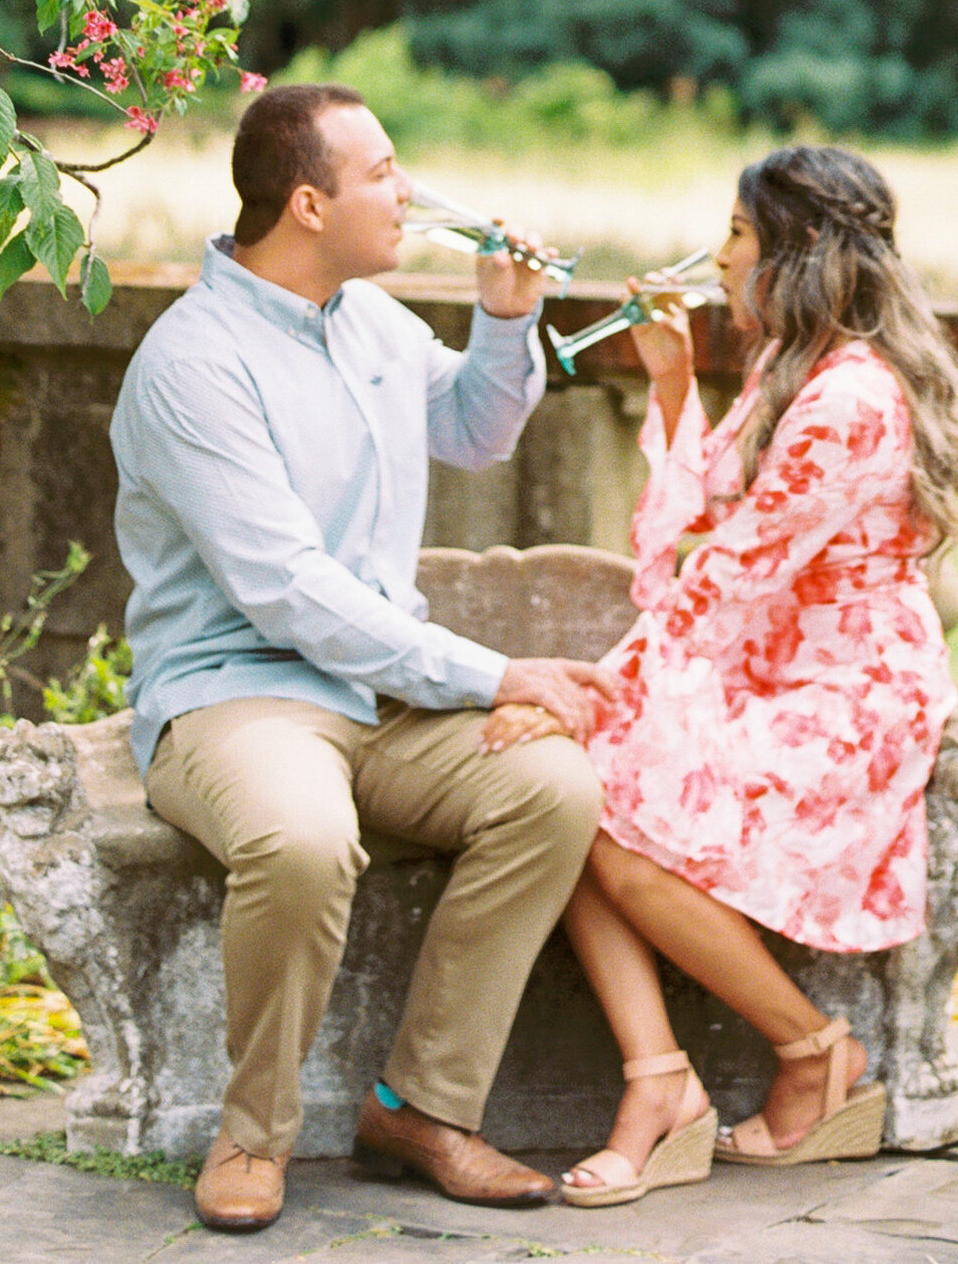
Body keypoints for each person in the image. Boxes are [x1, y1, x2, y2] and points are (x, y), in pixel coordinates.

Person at [111, 79, 613, 1237]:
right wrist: (494, 672)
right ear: (305, 204)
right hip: (238, 694)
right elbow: (290, 592)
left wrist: (503, 315)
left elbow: (475, 431)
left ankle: (421, 1111)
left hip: (375, 697)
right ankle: (254, 1132)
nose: (407, 191)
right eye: (382, 171)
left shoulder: (370, 321)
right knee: (299, 837)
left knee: (550, 789)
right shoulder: (193, 364)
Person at [476, 142, 958, 1209]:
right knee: (564, 793)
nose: (716, 259)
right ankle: (659, 1079)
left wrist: (582, 691)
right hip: (770, 661)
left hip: (850, 693)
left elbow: (724, 580)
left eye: (737, 235)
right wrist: (671, 382)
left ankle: (811, 1051)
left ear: (793, 251)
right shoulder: (783, 369)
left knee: (598, 780)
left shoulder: (850, 399)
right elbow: (692, 540)